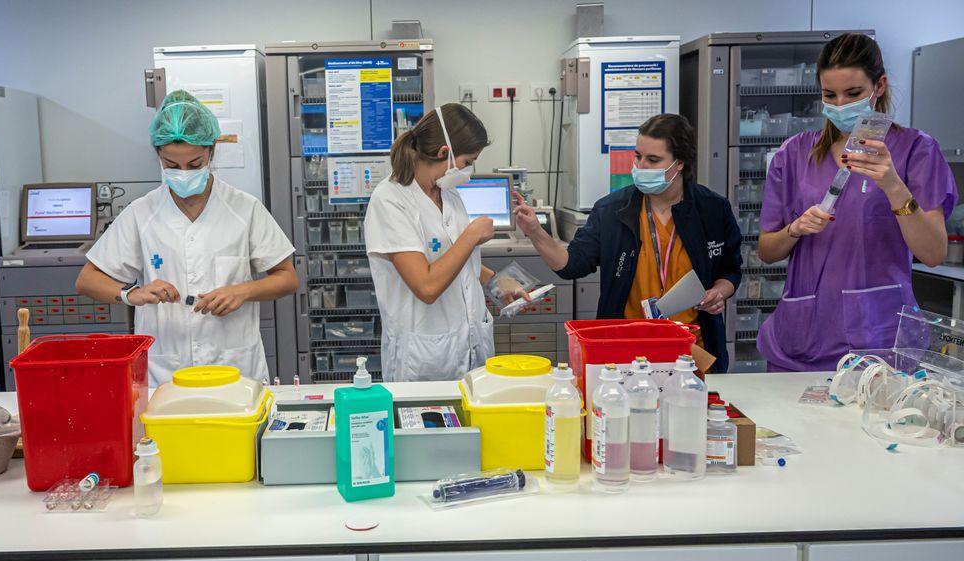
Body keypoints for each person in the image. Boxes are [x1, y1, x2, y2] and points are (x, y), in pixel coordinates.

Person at [756, 34, 957, 372]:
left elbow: (934, 253)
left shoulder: (915, 151)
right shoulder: (794, 154)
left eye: (852, 94)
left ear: (878, 86)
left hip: (879, 342)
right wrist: (795, 228)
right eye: (829, 95)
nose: (839, 105)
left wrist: (892, 184)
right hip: (804, 338)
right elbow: (767, 250)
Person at [78, 90, 298, 386]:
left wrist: (242, 291)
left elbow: (287, 277)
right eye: (171, 165)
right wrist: (132, 293)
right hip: (165, 371)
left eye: (194, 164)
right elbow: (87, 280)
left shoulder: (244, 209)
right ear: (158, 156)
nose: (183, 173)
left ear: (211, 153)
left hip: (234, 369)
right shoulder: (142, 213)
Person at [515, 114, 743, 372]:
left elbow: (730, 270)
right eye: (638, 156)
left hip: (692, 352)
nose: (641, 166)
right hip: (626, 351)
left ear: (679, 163)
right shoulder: (612, 211)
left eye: (653, 160)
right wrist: (535, 231)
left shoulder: (712, 210)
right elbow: (572, 265)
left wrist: (719, 292)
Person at [364, 103, 522, 382]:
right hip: (425, 355)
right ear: (444, 153)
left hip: (470, 344)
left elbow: (453, 259)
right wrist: (472, 235)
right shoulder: (390, 200)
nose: (468, 170)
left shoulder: (447, 193)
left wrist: (494, 283)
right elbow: (426, 285)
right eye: (467, 161)